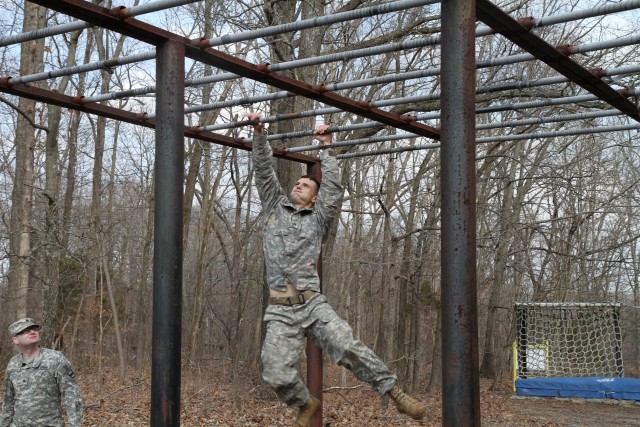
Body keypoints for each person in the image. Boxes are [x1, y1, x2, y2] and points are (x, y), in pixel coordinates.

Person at [245, 113, 427, 427]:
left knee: (347, 347)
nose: (298, 185)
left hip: (312, 304)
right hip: (280, 309)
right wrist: (259, 134)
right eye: (297, 183)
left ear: (314, 199)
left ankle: (395, 392)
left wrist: (326, 148)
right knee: (274, 370)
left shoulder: (318, 218)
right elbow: (263, 171)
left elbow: (333, 189)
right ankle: (305, 404)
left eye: (305, 185)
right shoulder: (275, 207)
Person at [0, 318, 83, 427]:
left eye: (34, 328)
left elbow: (72, 395)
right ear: (15, 340)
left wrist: (74, 424)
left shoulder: (56, 359)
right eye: (25, 331)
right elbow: (8, 400)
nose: (32, 332)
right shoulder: (13, 363)